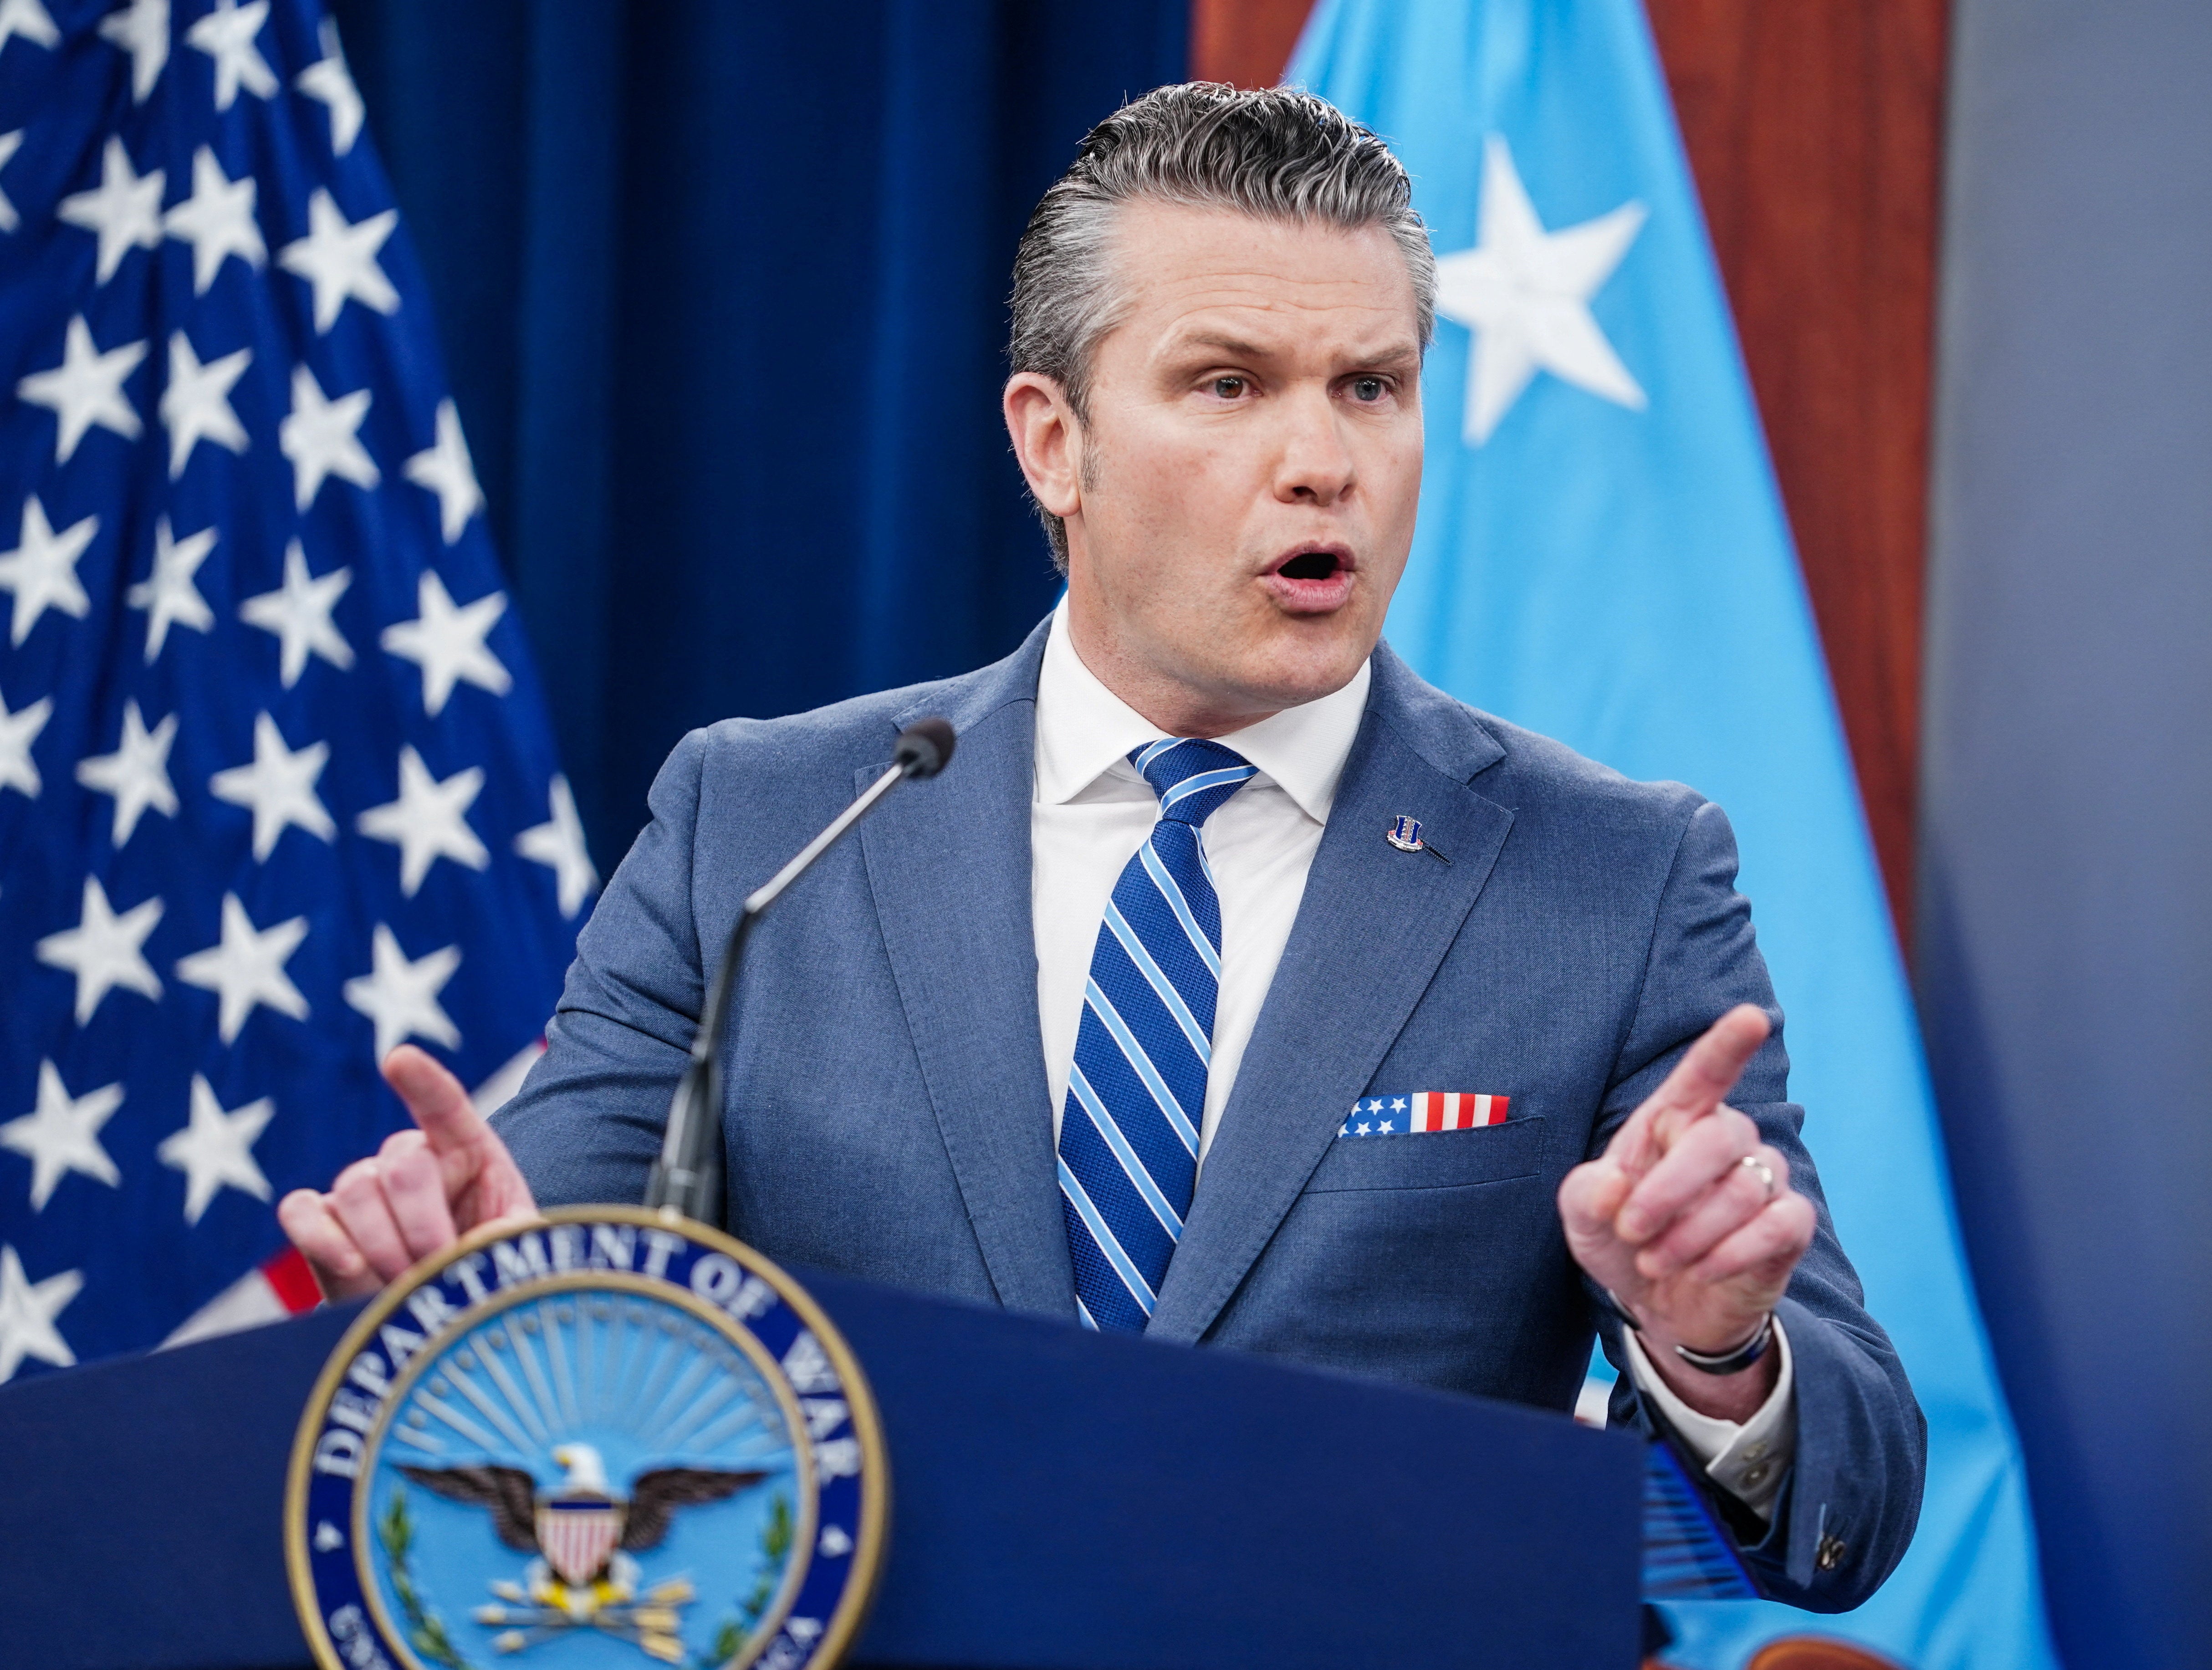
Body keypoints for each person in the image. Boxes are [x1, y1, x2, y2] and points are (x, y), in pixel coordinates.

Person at [278, 83, 1922, 1608]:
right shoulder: (763, 827)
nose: (1321, 461)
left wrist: (1715, 1354)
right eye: (1229, 385)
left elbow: (1848, 1506)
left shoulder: (1611, 878)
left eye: (1372, 387)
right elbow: (545, 1314)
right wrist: (483, 1292)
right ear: (1050, 441)